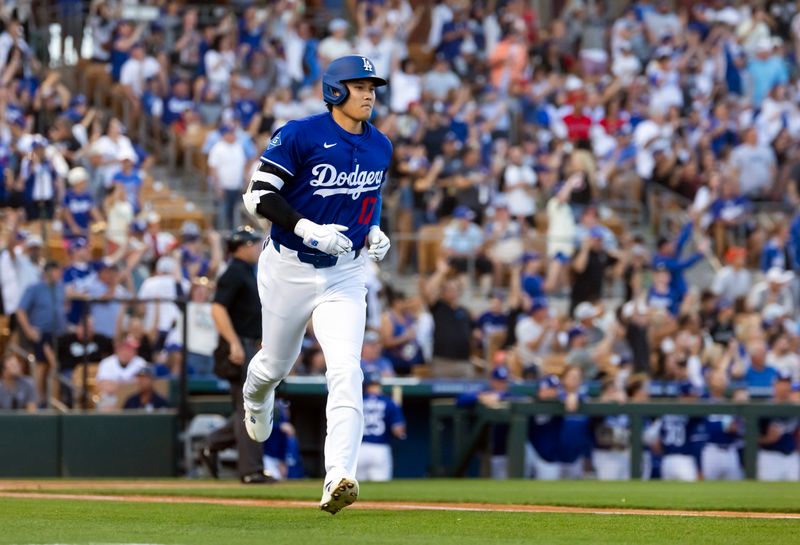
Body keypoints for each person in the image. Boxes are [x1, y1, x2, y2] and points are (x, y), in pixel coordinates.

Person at [241, 55, 392, 514]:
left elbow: (367, 200)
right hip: (289, 266)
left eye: (372, 86)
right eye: (359, 85)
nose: (368, 93)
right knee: (275, 364)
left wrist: (373, 232)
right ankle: (255, 393)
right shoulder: (299, 133)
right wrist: (307, 228)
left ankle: (338, 476)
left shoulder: (380, 145)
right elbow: (258, 195)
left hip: (344, 273)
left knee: (346, 369)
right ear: (334, 90)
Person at [204, 226, 267, 484]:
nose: (256, 248)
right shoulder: (234, 272)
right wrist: (234, 343)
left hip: (251, 342)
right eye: (252, 244)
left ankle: (211, 444)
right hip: (240, 345)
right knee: (249, 407)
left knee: (256, 407)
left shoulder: (248, 272)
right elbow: (218, 309)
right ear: (241, 247)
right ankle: (250, 470)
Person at [15, 261, 67, 405]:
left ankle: (55, 399)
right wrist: (28, 329)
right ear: (48, 273)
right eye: (56, 271)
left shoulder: (60, 288)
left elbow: (63, 306)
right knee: (41, 365)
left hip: (58, 333)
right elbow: (20, 310)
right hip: (41, 332)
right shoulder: (34, 288)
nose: (58, 274)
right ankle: (37, 399)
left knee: (56, 366)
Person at [356, 373, 406, 482]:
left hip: (359, 449)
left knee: (356, 489)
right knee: (381, 486)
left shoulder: (356, 401)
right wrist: (397, 409)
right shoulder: (389, 402)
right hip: (380, 449)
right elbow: (398, 431)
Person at [758, 374, 799, 481]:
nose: (784, 386)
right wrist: (767, 439)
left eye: (787, 383)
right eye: (781, 383)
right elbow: (750, 437)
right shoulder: (764, 408)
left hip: (791, 457)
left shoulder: (795, 407)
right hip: (770, 456)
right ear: (775, 385)